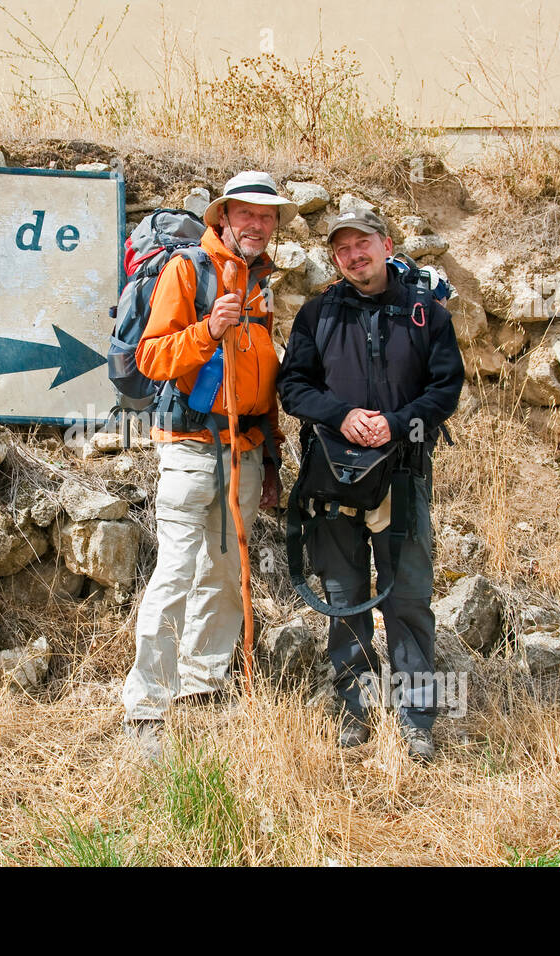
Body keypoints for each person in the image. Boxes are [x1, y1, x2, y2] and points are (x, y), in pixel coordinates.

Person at [121, 171, 297, 759]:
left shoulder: (263, 286)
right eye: (246, 214)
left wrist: (271, 457)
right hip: (192, 445)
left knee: (225, 574)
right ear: (223, 218)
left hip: (244, 449)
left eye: (267, 216)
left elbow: (264, 381)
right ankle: (147, 707)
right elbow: (150, 356)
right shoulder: (187, 270)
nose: (257, 224)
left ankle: (203, 684)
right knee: (174, 571)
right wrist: (207, 330)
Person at [277, 209, 463, 761]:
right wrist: (340, 414)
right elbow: (294, 388)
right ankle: (355, 707)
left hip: (402, 476)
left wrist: (399, 421)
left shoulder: (427, 313)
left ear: (385, 244)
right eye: (342, 250)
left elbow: (446, 387)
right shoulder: (316, 315)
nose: (355, 256)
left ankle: (416, 717)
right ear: (334, 259)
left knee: (408, 597)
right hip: (333, 480)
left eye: (363, 245)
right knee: (344, 595)